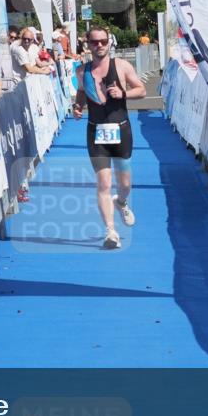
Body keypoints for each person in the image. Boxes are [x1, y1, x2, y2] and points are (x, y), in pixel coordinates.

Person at [71, 27, 146, 250]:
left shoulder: (121, 66)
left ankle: (121, 202)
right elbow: (83, 92)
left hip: (121, 130)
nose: (99, 45)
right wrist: (78, 106)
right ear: (88, 45)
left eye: (103, 41)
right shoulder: (81, 71)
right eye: (95, 42)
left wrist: (123, 94)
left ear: (109, 43)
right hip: (96, 132)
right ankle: (111, 232)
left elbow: (141, 90)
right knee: (103, 182)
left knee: (124, 184)